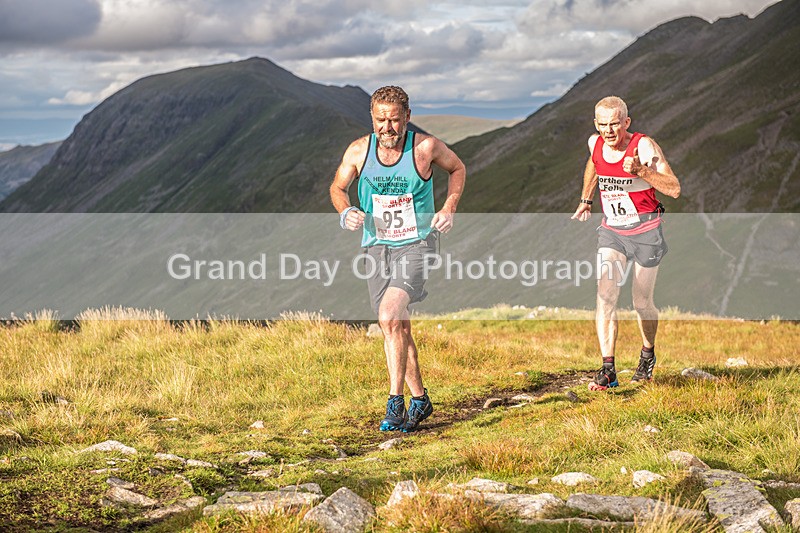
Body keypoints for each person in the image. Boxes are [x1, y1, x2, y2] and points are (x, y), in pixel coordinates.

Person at [330, 86, 466, 431]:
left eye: (394, 120)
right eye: (380, 120)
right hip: (376, 246)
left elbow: (458, 168)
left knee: (389, 315)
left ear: (407, 116)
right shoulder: (360, 150)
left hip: (417, 244)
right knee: (396, 325)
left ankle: (395, 404)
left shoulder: (424, 148)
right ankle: (420, 399)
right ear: (372, 118)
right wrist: (345, 211)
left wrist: (448, 208)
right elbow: (337, 187)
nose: (387, 128)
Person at [571, 96, 680, 391]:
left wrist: (643, 171)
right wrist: (586, 199)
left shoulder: (644, 146)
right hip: (613, 232)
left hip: (646, 232)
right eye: (603, 125)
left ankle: (647, 354)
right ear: (596, 124)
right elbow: (594, 165)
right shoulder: (595, 143)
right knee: (605, 296)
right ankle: (608, 370)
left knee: (641, 302)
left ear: (627, 122)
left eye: (615, 124)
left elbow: (674, 188)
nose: (609, 131)